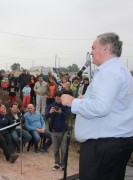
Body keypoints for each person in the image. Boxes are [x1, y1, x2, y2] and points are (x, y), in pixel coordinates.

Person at [61, 32, 133, 179]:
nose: (91, 52)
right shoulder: (119, 69)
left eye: (93, 48)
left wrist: (72, 102)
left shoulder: (109, 72)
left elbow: (101, 107)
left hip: (104, 145)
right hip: (114, 141)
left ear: (106, 48)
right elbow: (111, 102)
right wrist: (85, 99)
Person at [45, 91, 70, 171]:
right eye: (58, 99)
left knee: (63, 149)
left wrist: (61, 112)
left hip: (64, 131)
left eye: (60, 99)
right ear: (55, 97)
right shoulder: (51, 106)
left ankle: (63, 165)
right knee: (55, 149)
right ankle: (56, 164)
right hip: (54, 131)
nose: (59, 101)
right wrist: (50, 112)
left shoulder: (65, 106)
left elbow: (67, 117)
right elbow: (46, 116)